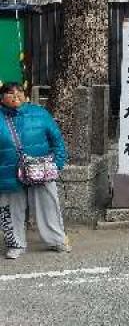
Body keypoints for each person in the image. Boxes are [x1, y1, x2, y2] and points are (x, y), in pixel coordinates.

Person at [0, 82, 70, 260]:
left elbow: (57, 140)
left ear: (25, 95)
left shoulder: (39, 113)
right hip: (8, 172)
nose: (15, 95)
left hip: (41, 169)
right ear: (2, 98)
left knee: (48, 205)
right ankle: (16, 244)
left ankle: (56, 240)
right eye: (10, 93)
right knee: (11, 209)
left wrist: (57, 163)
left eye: (19, 92)